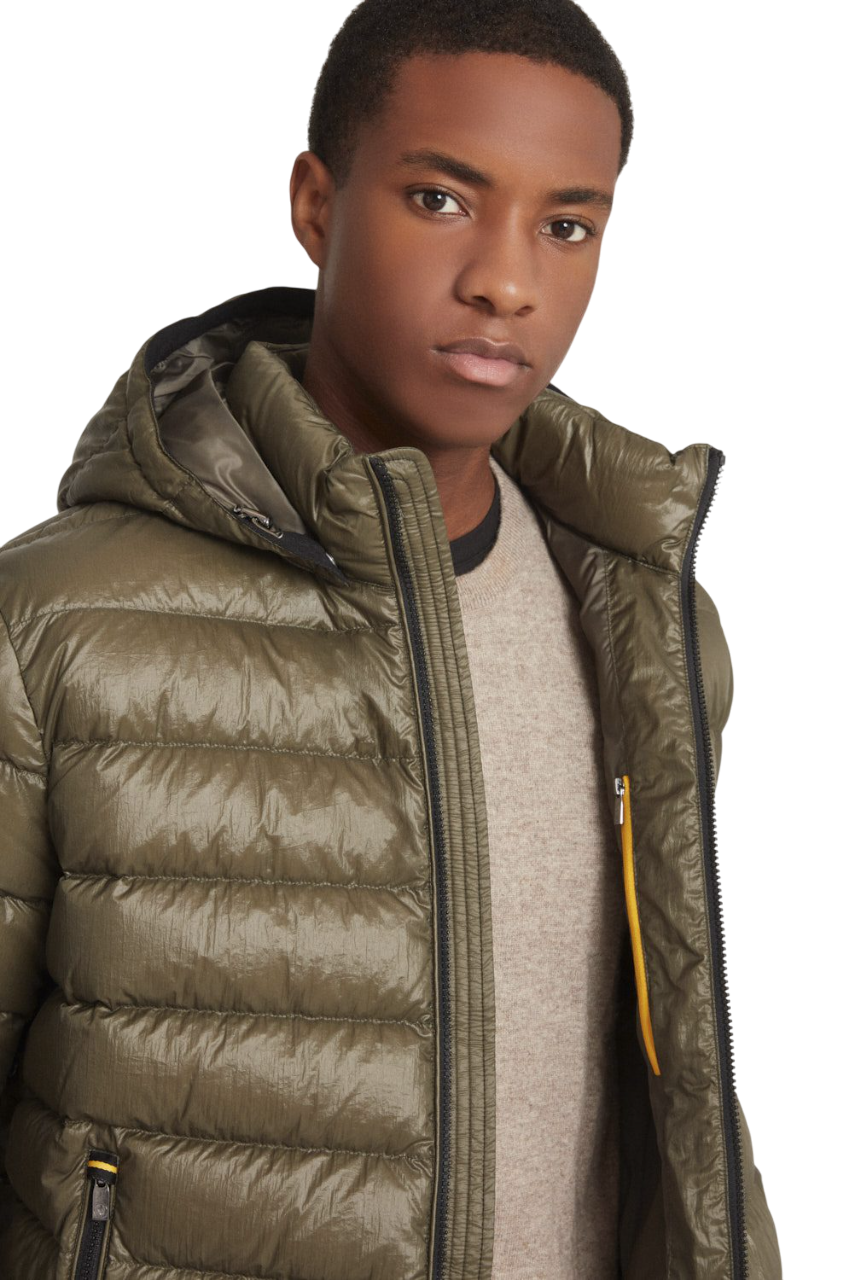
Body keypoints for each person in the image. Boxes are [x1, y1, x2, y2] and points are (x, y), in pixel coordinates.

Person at [0, 1, 782, 1276]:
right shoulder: (54, 624)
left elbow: (677, 1078)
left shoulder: (649, 624)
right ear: (317, 204)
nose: (507, 281)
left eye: (566, 225)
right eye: (439, 199)